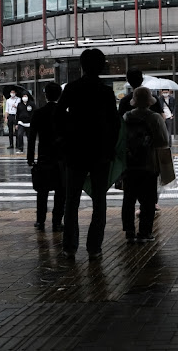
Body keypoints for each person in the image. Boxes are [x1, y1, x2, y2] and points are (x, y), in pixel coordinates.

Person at [55, 48, 120, 261]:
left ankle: (70, 247)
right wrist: (110, 149)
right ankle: (94, 247)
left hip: (75, 150)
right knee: (99, 200)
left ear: (82, 66)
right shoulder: (105, 91)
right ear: (101, 66)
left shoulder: (72, 88)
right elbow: (115, 124)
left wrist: (65, 139)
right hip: (100, 152)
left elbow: (58, 116)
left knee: (71, 200)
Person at [122, 86, 169, 243]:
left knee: (128, 199)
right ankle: (144, 232)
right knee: (148, 200)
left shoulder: (126, 117)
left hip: (129, 165)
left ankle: (129, 231)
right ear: (149, 101)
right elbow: (164, 141)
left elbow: (120, 140)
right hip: (149, 165)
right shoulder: (155, 118)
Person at [27, 82, 65, 232]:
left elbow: (31, 137)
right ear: (60, 95)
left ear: (45, 95)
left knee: (42, 192)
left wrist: (30, 157)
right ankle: (57, 221)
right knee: (60, 192)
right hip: (61, 158)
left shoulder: (38, 113)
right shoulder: (64, 113)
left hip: (44, 156)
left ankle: (40, 221)